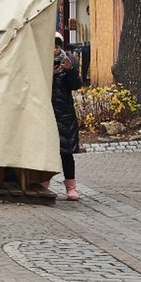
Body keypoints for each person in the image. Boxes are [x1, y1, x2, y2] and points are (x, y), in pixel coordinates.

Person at [53, 32, 82, 200]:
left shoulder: (68, 63)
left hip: (64, 114)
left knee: (66, 152)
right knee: (46, 151)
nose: (54, 51)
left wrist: (69, 71)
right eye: (51, 47)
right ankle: (43, 182)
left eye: (57, 47)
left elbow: (76, 85)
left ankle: (71, 186)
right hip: (48, 112)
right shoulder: (42, 63)